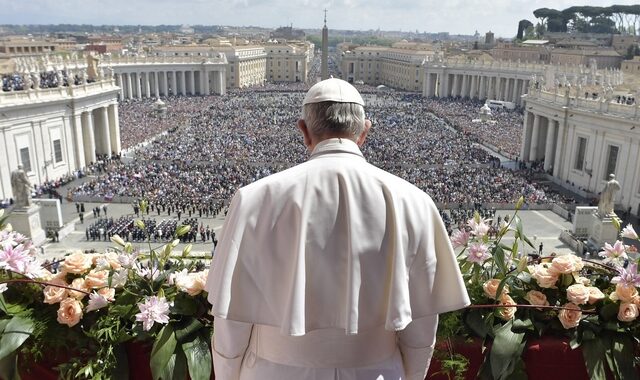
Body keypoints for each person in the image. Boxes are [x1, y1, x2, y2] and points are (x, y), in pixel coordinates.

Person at [205, 78, 469, 380]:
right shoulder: (414, 201)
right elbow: (421, 326)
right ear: (364, 132)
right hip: (378, 372)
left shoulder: (253, 199)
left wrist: (227, 375)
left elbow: (231, 322)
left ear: (304, 130)